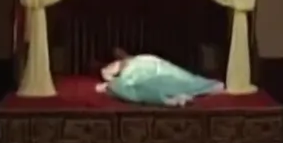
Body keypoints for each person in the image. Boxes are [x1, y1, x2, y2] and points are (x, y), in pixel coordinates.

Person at [95, 48, 225, 106]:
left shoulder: (138, 57)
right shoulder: (113, 66)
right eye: (116, 51)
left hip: (149, 62)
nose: (119, 52)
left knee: (178, 76)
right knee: (150, 82)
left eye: (119, 50)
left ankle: (203, 86)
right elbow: (112, 78)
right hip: (137, 70)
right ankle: (172, 97)